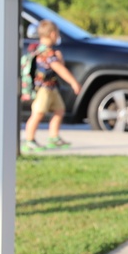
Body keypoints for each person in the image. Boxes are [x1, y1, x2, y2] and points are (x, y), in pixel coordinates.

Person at [22, 19, 81, 153]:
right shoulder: (47, 53)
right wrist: (73, 82)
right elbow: (60, 69)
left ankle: (53, 138)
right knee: (37, 114)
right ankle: (29, 141)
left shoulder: (43, 50)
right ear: (53, 34)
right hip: (43, 90)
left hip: (51, 88)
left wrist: (59, 58)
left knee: (59, 110)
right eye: (58, 34)